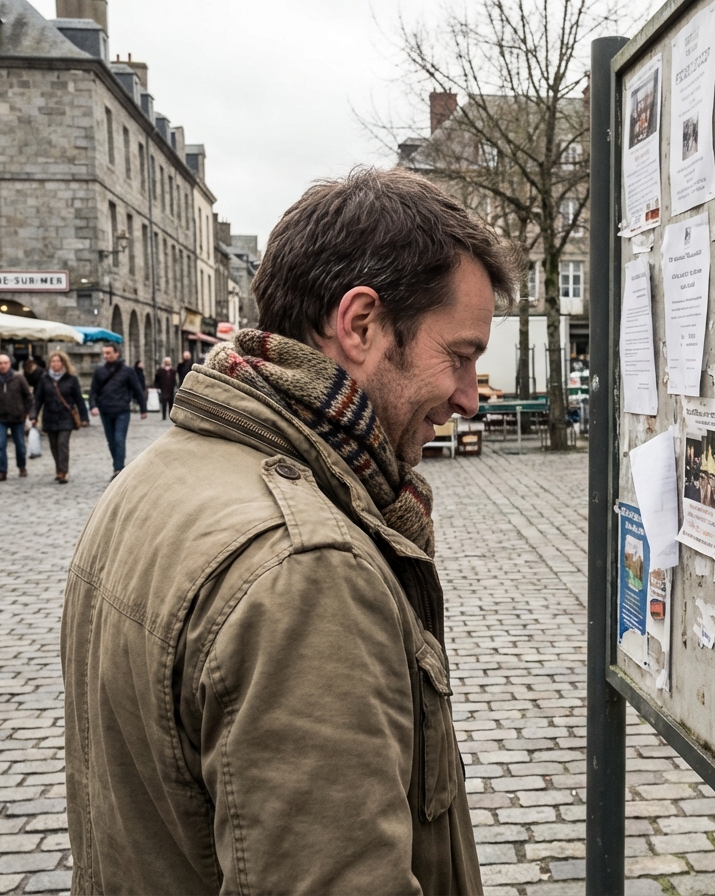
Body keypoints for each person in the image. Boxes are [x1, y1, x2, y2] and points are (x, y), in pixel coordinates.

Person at [63, 168, 519, 894]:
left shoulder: (151, 479)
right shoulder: (306, 569)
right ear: (361, 325)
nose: (469, 397)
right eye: (458, 357)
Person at [87, 344, 147, 477]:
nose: (106, 356)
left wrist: (143, 408)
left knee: (119, 439)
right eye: (104, 353)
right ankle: (118, 463)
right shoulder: (99, 371)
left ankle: (118, 469)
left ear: (116, 353)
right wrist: (93, 406)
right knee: (111, 441)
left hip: (122, 411)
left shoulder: (127, 371)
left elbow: (137, 389)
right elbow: (93, 391)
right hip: (105, 410)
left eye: (108, 353)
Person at [30, 350, 89, 484]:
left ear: (63, 363)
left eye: (58, 361)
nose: (55, 364)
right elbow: (38, 399)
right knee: (54, 445)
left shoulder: (71, 379)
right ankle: (59, 469)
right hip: (49, 417)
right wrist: (33, 415)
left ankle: (64, 471)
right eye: (53, 361)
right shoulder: (44, 380)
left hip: (65, 417)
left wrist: (84, 417)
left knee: (62, 444)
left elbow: (79, 399)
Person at [0, 353, 32, 481]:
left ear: (10, 364)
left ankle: (22, 466)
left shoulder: (19, 378)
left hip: (17, 417)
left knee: (20, 444)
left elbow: (28, 396)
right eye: (0, 363)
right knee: (0, 444)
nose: (3, 366)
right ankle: (1, 471)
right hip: (0, 417)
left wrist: (28, 412)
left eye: (5, 363)